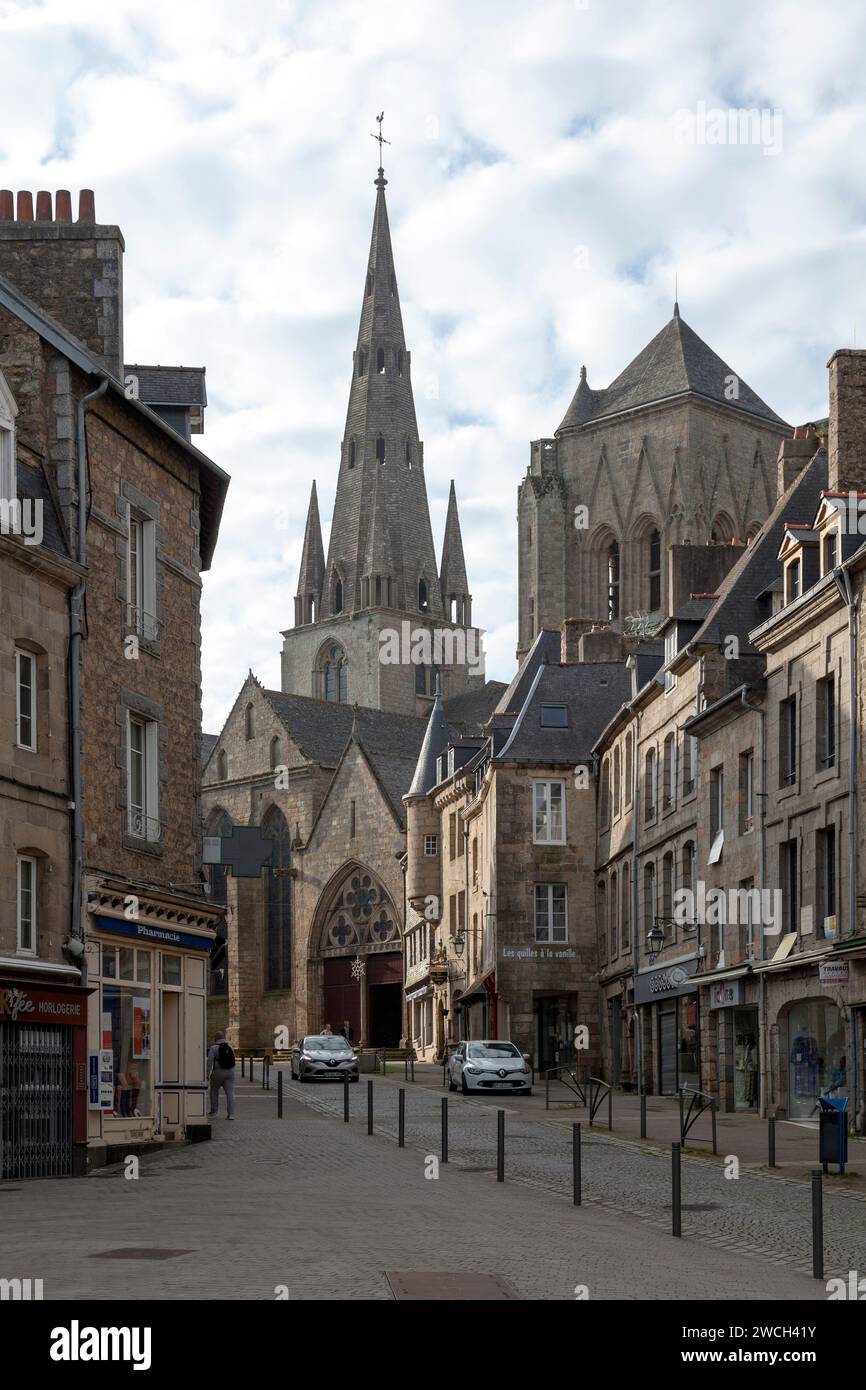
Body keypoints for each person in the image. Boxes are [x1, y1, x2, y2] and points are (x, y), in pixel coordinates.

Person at [207, 1031, 236, 1120]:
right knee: (230, 1093)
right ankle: (231, 1114)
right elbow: (233, 1060)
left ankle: (214, 1112)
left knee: (214, 1091)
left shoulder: (213, 1048)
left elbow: (210, 1062)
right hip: (230, 1072)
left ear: (216, 1039)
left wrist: (207, 1074)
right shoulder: (230, 1047)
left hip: (217, 1072)